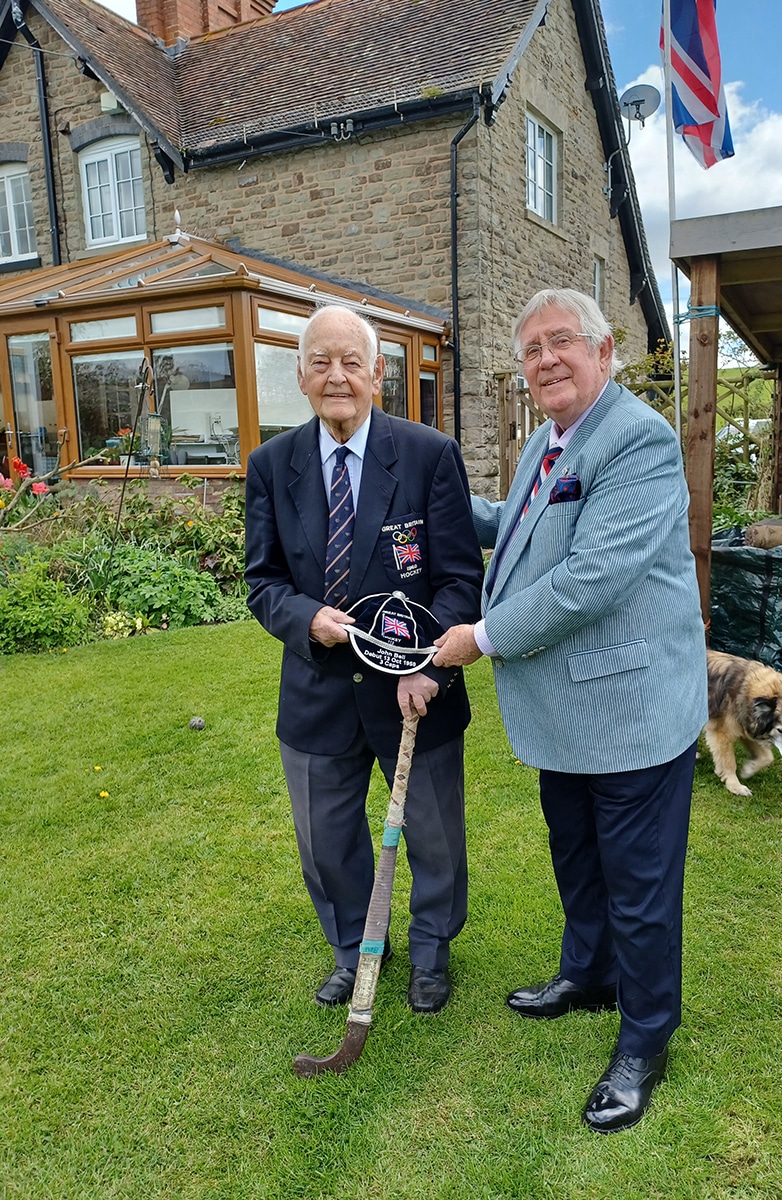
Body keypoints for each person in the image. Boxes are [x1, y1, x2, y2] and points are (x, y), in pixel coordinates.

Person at [433, 288, 707, 1131]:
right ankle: (588, 975)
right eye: (532, 349)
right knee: (580, 862)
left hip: (630, 713)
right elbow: (518, 530)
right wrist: (431, 502)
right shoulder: (548, 444)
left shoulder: (637, 440)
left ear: (604, 350)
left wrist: (479, 636)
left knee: (640, 887)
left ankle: (645, 1041)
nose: (547, 359)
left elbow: (587, 580)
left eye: (563, 342)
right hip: (567, 716)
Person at [245, 304, 483, 1015]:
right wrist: (304, 618)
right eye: (321, 362)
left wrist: (429, 667)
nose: (337, 376)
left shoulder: (427, 455)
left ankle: (431, 953)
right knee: (327, 844)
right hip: (317, 695)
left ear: (379, 373)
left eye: (352, 361)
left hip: (413, 691)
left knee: (435, 838)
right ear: (301, 375)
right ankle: (354, 951)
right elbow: (262, 581)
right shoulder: (270, 465)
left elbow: (459, 579)